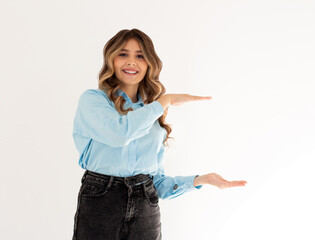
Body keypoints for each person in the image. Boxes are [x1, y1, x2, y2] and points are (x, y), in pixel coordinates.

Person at [71, 28, 247, 240]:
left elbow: (157, 183)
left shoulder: (152, 117)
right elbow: (119, 133)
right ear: (111, 59)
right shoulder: (93, 101)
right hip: (102, 201)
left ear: (149, 64)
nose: (132, 62)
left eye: (140, 56)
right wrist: (164, 101)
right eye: (123, 54)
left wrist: (201, 180)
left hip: (145, 205)